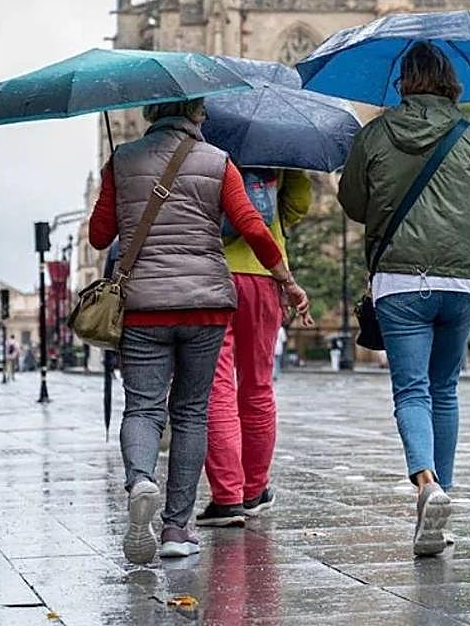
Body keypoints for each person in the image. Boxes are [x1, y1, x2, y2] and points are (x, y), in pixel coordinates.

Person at [89, 99, 312, 563]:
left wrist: (119, 177)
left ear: (151, 112)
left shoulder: (123, 159)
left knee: (145, 407)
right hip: (206, 304)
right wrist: (286, 281)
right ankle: (176, 529)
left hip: (144, 305)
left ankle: (141, 481)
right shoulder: (217, 161)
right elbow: (251, 225)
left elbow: (98, 235)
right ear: (196, 114)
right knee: (192, 411)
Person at [339, 41, 470, 557]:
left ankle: (427, 486)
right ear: (450, 81)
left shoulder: (375, 134)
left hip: (399, 280)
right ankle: (443, 498)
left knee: (412, 391)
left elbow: (352, 203)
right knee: (446, 389)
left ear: (404, 81)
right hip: (461, 282)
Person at [199, 166, 311, 528]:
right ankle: (254, 490)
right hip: (265, 270)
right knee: (258, 385)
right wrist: (272, 222)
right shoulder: (278, 140)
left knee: (216, 386)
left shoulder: (209, 139)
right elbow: (299, 201)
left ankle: (227, 497)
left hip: (211, 271)